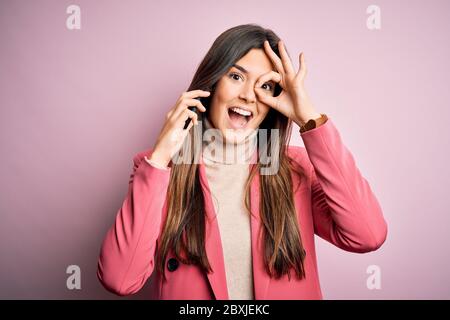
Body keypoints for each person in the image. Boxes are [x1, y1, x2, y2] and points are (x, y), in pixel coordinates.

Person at [97, 24, 388, 300]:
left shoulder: (295, 169)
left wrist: (307, 117)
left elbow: (367, 235)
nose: (248, 95)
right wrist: (161, 156)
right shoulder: (161, 171)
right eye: (236, 77)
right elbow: (120, 280)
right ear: (211, 83)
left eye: (264, 86)